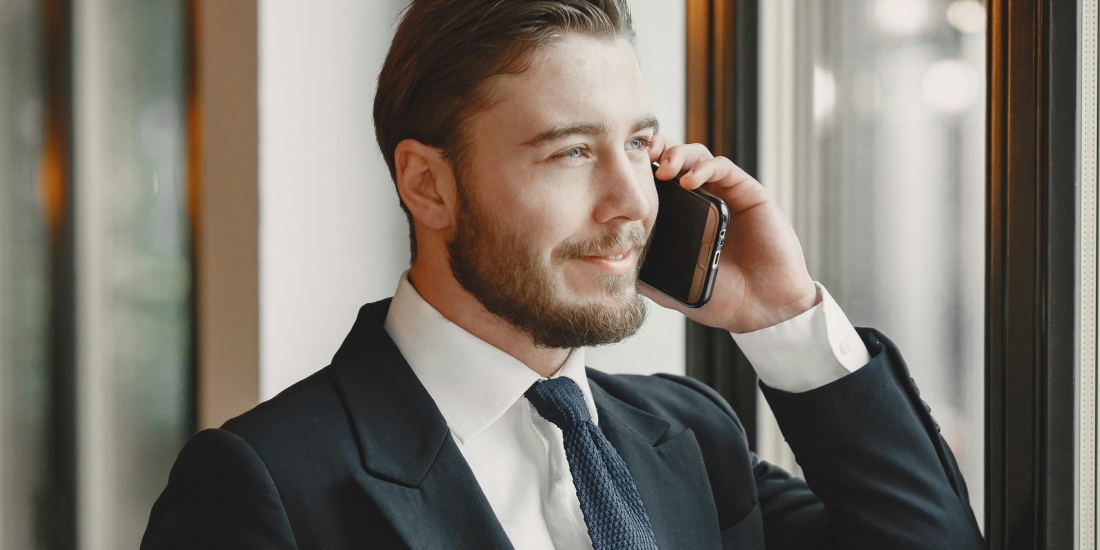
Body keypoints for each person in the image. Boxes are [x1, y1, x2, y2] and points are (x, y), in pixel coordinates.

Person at [141, 1, 983, 548]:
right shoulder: (263, 486)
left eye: (640, 146)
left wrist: (784, 317)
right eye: (572, 152)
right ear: (428, 184)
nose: (631, 203)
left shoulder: (693, 435)